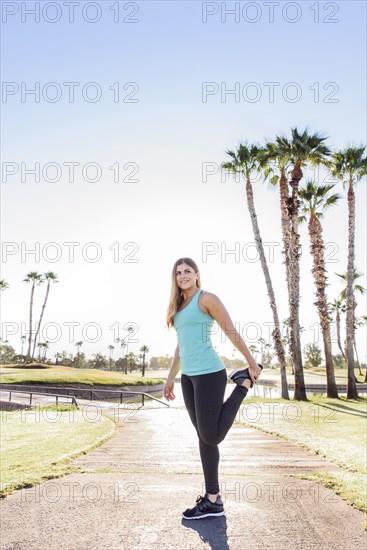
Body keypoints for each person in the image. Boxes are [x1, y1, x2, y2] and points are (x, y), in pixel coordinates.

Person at [164, 257, 263, 520]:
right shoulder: (179, 305)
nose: (182, 275)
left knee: (212, 437)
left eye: (187, 271)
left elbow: (230, 329)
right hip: (189, 377)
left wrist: (251, 363)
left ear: (197, 274)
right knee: (203, 436)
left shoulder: (207, 298)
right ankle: (213, 500)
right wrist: (170, 377)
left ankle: (243, 384)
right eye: (178, 273)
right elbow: (180, 346)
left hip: (210, 374)